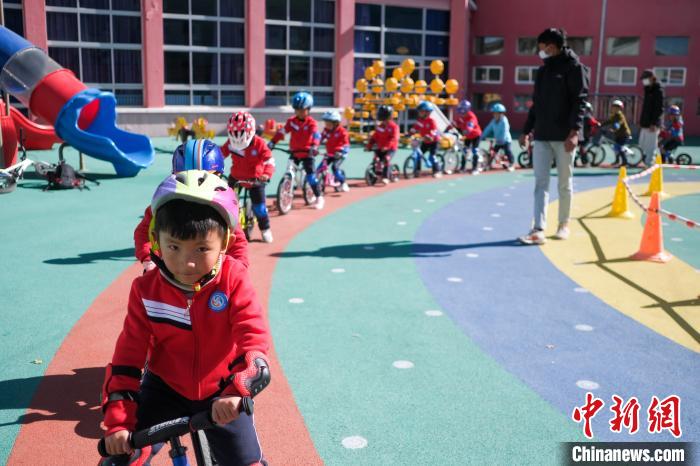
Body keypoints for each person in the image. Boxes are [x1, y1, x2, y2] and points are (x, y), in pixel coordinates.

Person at [101, 170, 271, 465]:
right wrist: (119, 422)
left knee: (246, 462)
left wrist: (237, 389)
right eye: (174, 247)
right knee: (121, 458)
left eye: (202, 248)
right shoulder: (145, 289)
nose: (187, 262)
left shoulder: (233, 279)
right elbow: (128, 357)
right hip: (164, 388)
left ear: (226, 242)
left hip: (221, 390)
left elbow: (253, 337)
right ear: (156, 240)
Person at [134, 139, 249, 272]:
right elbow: (143, 232)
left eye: (203, 178)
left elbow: (238, 242)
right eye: (188, 176)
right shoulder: (165, 203)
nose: (196, 184)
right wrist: (149, 260)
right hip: (172, 270)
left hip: (210, 273)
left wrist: (239, 268)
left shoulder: (224, 207)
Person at [519, 27, 589, 245]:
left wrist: (575, 132)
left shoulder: (575, 68)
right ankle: (538, 229)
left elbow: (580, 102)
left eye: (544, 47)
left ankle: (563, 224)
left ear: (555, 46)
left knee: (564, 183)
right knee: (540, 182)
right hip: (542, 134)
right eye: (540, 47)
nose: (541, 51)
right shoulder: (543, 71)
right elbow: (536, 104)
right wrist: (527, 130)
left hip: (565, 136)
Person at [222, 111, 276, 243]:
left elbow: (269, 160)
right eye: (235, 134)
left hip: (256, 179)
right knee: (225, 202)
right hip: (236, 177)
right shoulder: (230, 143)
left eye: (241, 134)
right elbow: (220, 155)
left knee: (259, 208)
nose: (237, 137)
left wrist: (266, 174)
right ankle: (225, 229)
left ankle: (265, 229)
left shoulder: (259, 143)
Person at [269, 91, 323, 209]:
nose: (300, 112)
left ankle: (319, 198)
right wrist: (272, 142)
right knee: (289, 171)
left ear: (309, 109)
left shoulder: (311, 123)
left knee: (310, 177)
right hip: (295, 152)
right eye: (297, 110)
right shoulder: (291, 121)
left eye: (302, 110)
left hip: (308, 153)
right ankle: (286, 192)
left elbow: (316, 135)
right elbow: (282, 132)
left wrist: (314, 146)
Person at [366, 105, 400, 184]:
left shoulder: (394, 127)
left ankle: (386, 177)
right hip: (381, 147)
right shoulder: (379, 127)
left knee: (386, 159)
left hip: (391, 148)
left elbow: (394, 138)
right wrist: (369, 146)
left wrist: (387, 147)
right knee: (376, 159)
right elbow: (374, 137)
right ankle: (374, 175)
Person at [638, 69, 664, 167]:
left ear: (652, 78)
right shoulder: (648, 89)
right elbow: (645, 108)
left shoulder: (658, 90)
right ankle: (647, 162)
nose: (644, 81)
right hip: (645, 122)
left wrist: (654, 123)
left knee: (651, 145)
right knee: (642, 144)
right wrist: (641, 121)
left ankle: (650, 164)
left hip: (652, 124)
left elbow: (659, 109)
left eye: (645, 79)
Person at [447, 99, 482, 173]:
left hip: (475, 135)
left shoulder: (472, 117)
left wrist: (466, 131)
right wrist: (447, 129)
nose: (462, 113)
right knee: (464, 151)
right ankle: (462, 168)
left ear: (467, 110)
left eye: (463, 111)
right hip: (467, 136)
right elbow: (455, 123)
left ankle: (475, 168)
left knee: (474, 150)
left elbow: (470, 126)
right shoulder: (461, 116)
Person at [409, 101, 442, 178]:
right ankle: (417, 171)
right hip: (425, 141)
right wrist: (409, 133)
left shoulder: (431, 121)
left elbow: (433, 131)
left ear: (427, 112)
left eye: (421, 111)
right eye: (419, 111)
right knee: (418, 155)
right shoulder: (420, 120)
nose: (419, 113)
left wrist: (430, 136)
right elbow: (415, 128)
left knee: (432, 156)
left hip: (434, 141)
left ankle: (437, 171)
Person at [320, 110, 350, 192]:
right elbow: (320, 138)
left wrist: (342, 152)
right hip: (329, 153)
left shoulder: (342, 132)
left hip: (339, 154)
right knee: (320, 167)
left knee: (335, 167)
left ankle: (343, 182)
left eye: (329, 124)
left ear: (336, 123)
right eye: (326, 123)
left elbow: (346, 145)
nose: (326, 125)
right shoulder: (326, 130)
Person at [481, 103, 514, 172]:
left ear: (501, 114)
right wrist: (482, 136)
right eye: (494, 113)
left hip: (506, 140)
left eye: (496, 113)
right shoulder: (493, 121)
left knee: (508, 151)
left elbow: (505, 130)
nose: (494, 115)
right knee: (493, 152)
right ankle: (488, 165)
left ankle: (511, 165)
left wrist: (502, 139)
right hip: (498, 141)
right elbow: (488, 128)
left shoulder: (504, 121)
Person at [600, 99, 633, 167]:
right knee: (616, 147)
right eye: (614, 107)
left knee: (619, 147)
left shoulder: (620, 115)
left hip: (624, 134)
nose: (615, 109)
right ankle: (617, 161)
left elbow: (620, 122)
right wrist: (601, 124)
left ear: (620, 109)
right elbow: (609, 121)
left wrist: (616, 127)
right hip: (618, 134)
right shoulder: (614, 115)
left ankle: (625, 162)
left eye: (617, 108)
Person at [578, 101, 601, 166]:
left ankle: (585, 162)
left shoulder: (588, 117)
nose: (585, 111)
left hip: (585, 137)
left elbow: (595, 123)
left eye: (587, 109)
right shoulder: (580, 117)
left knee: (582, 149)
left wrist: (593, 131)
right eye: (584, 109)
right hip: (579, 136)